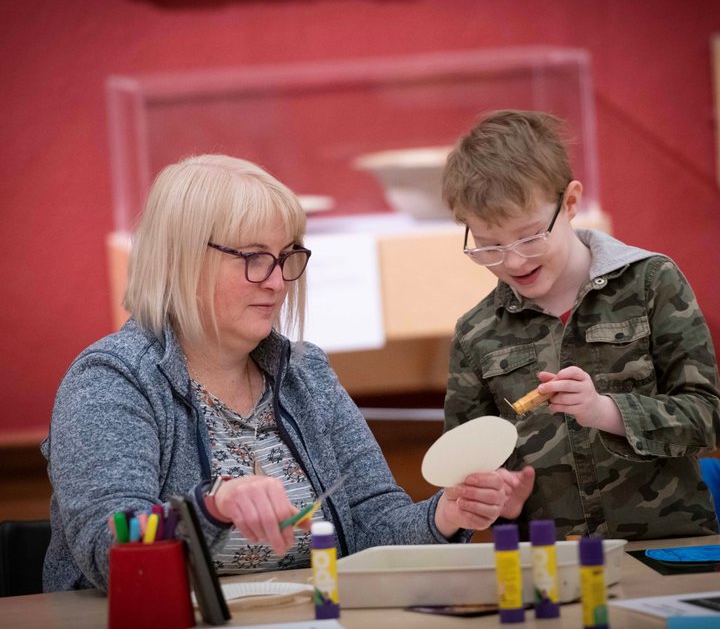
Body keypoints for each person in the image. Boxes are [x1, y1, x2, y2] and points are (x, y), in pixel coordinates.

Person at [42, 154, 534, 593]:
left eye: (285, 258)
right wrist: (210, 508)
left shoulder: (307, 374)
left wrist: (446, 514)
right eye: (254, 258)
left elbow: (373, 524)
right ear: (182, 262)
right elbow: (110, 552)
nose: (277, 282)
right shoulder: (112, 379)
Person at [440, 110, 720, 541]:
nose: (514, 261)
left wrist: (605, 411)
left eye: (530, 236)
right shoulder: (476, 332)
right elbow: (466, 469)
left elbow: (707, 416)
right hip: (548, 565)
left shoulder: (651, 282)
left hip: (666, 550)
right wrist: (498, 504)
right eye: (489, 247)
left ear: (569, 203)